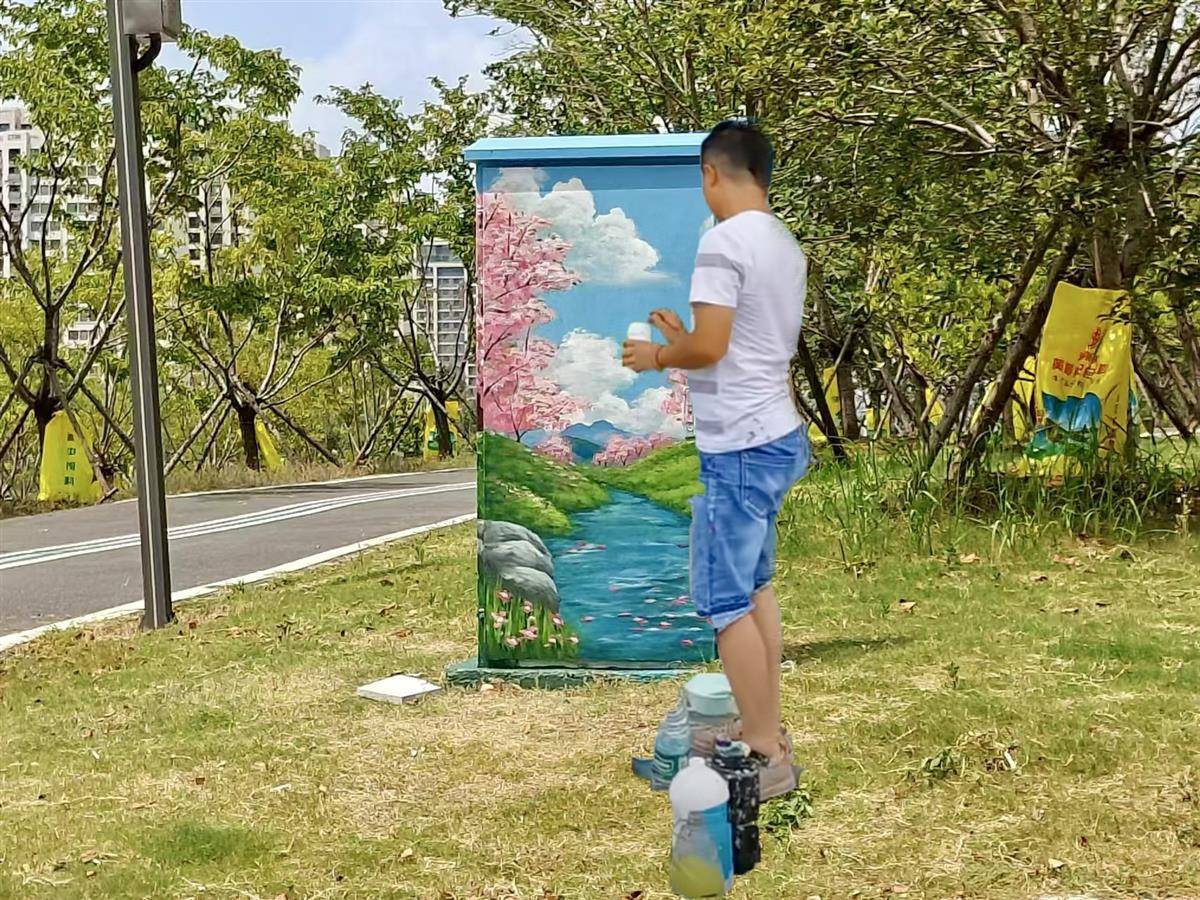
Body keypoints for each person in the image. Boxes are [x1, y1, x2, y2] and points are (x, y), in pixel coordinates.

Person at [623, 120, 810, 800]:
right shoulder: (781, 243)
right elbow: (737, 344)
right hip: (775, 435)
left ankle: (764, 751)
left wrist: (658, 354)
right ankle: (766, 729)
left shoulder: (722, 241)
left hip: (738, 448)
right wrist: (686, 337)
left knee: (726, 601)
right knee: (756, 587)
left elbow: (712, 349)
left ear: (711, 173)